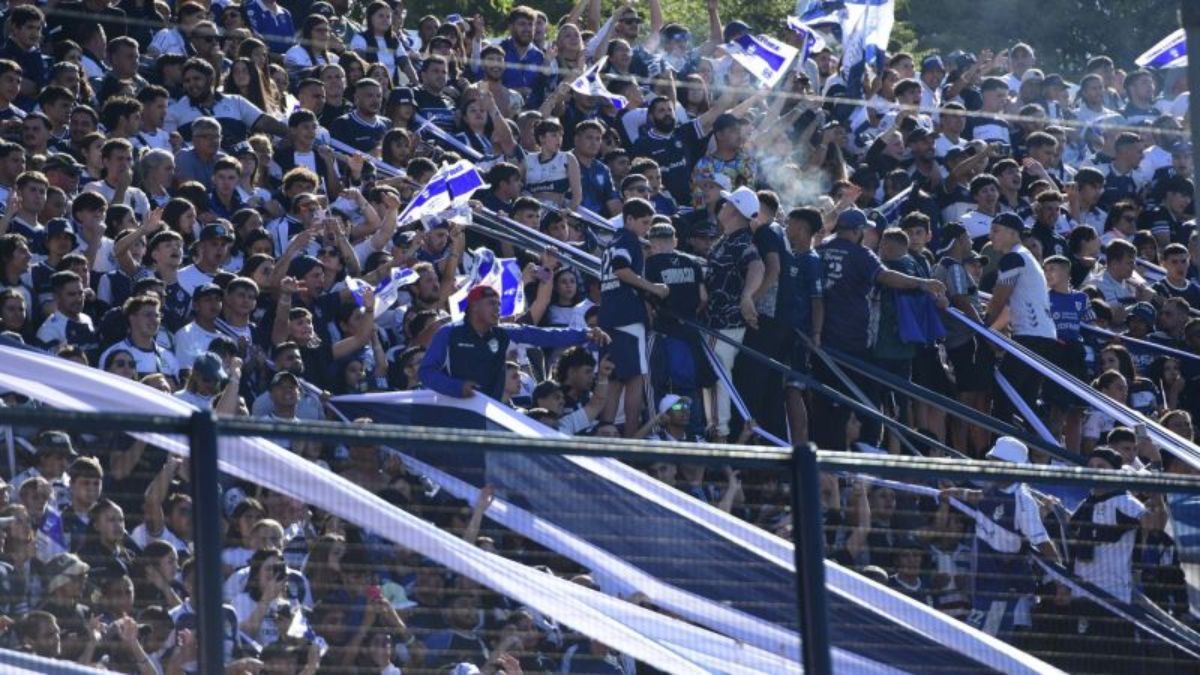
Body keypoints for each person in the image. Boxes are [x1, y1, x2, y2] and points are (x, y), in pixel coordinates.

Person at [941, 437, 1061, 641]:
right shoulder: (994, 486)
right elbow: (979, 496)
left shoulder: (1023, 502)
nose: (990, 466)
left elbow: (1043, 543)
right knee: (977, 637)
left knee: (986, 643)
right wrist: (956, 493)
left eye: (996, 461)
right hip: (984, 581)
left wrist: (1061, 580)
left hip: (1002, 587)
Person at [420, 286, 609, 400]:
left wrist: (586, 334)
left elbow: (545, 335)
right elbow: (426, 372)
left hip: (487, 409)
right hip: (453, 409)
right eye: (491, 303)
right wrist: (457, 388)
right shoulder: (449, 333)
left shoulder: (503, 333)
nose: (498, 309)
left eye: (499, 304)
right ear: (474, 307)